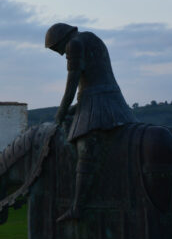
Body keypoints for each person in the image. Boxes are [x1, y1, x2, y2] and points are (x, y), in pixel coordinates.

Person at [45, 23, 136, 221]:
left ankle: (78, 207)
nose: (60, 54)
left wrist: (61, 113)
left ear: (61, 40)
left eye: (56, 49)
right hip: (107, 99)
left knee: (85, 146)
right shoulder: (92, 37)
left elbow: (72, 84)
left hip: (100, 102)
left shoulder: (74, 45)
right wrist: (72, 109)